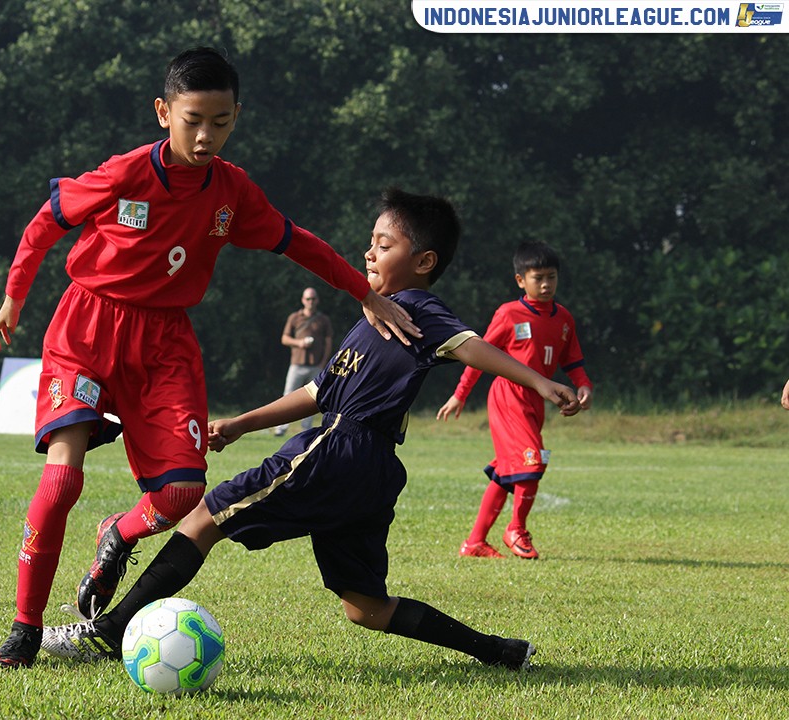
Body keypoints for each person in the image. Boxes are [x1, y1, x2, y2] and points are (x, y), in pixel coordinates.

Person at [0, 47, 422, 669]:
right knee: (61, 481)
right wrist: (13, 299)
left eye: (221, 120)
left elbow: (297, 243)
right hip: (85, 329)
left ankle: (119, 533)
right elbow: (43, 225)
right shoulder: (124, 174)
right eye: (193, 118)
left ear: (236, 117)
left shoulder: (232, 191)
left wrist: (365, 293)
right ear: (164, 112)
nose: (206, 133)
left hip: (165, 347)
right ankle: (25, 628)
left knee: (182, 495)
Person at [39, 188, 581, 672]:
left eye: (384, 243)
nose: (368, 252)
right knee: (365, 607)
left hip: (339, 449)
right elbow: (318, 393)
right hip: (370, 471)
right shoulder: (372, 319)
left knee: (204, 517)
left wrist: (541, 382)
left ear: (424, 261)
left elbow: (470, 346)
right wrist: (241, 424)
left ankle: (107, 635)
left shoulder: (417, 309)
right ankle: (497, 650)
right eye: (371, 241)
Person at [437, 241, 593, 561]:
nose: (546, 284)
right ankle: (515, 530)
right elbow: (477, 355)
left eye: (552, 277)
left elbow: (573, 361)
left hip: (537, 401)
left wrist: (583, 385)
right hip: (509, 396)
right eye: (539, 278)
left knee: (509, 469)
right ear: (521, 280)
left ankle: (474, 542)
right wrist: (459, 395)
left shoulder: (563, 318)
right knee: (532, 462)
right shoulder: (509, 314)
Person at [274, 287, 333, 436]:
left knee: (312, 399)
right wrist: (299, 343)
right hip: (297, 364)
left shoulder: (323, 320)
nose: (310, 302)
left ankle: (306, 430)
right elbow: (284, 338)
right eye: (308, 299)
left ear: (317, 301)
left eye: (313, 299)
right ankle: (281, 428)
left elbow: (328, 341)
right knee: (287, 396)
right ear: (303, 300)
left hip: (316, 365)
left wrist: (324, 362)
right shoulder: (295, 317)